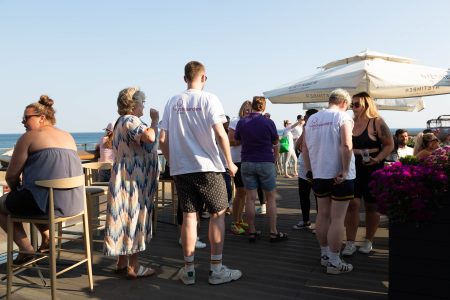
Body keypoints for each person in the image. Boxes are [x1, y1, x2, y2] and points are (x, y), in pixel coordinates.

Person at [159, 61, 241, 285]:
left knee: (189, 217)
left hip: (182, 169)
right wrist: (229, 162)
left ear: (184, 78)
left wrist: (171, 161)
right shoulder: (209, 99)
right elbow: (221, 134)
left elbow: (162, 139)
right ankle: (216, 269)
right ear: (203, 77)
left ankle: (189, 271)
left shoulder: (172, 101)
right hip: (208, 167)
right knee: (217, 214)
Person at [0, 95, 84, 264]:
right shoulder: (68, 136)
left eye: (26, 118)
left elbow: (11, 176)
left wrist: (16, 188)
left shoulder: (29, 137)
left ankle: (25, 248)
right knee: (36, 195)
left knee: (2, 204)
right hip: (74, 204)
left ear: (42, 118)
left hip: (47, 204)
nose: (23, 122)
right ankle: (47, 239)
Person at [103, 88, 159, 279]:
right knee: (136, 218)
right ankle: (133, 267)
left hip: (123, 176)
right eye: (142, 102)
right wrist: (154, 121)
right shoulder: (131, 120)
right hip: (134, 180)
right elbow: (150, 137)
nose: (144, 105)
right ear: (134, 104)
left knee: (124, 217)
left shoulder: (120, 122)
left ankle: (121, 262)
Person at [303, 88, 355, 274]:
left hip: (319, 174)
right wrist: (344, 170)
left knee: (323, 215)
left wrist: (309, 170)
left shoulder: (312, 119)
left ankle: (325, 255)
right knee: (338, 218)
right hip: (339, 175)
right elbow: (347, 145)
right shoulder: (343, 117)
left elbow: (305, 149)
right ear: (343, 102)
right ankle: (334, 261)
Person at [343, 92, 394, 257]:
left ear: (366, 104)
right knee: (352, 205)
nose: (353, 107)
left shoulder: (377, 122)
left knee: (372, 206)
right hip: (353, 169)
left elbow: (389, 145)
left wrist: (377, 157)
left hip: (373, 168)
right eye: (352, 104)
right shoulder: (349, 123)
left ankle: (368, 240)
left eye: (356, 104)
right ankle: (350, 242)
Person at [235, 96, 287, 243]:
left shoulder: (242, 122)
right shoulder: (268, 122)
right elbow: (276, 141)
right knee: (270, 198)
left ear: (252, 106)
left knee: (250, 199)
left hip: (247, 162)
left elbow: (237, 139)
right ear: (263, 107)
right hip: (265, 161)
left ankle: (251, 231)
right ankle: (273, 232)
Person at [228, 100, 252, 235]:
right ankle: (234, 222)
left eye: (250, 109)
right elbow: (230, 141)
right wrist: (244, 139)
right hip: (237, 160)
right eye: (246, 109)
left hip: (248, 159)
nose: (247, 111)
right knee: (240, 191)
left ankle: (239, 219)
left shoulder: (251, 122)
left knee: (245, 193)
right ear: (242, 109)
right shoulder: (235, 121)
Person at [292, 109, 318, 230]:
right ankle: (314, 222)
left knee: (306, 195)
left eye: (306, 117)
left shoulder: (308, 129)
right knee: (316, 197)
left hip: (310, 168)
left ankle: (307, 221)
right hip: (313, 167)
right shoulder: (311, 129)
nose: (304, 119)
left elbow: (297, 145)